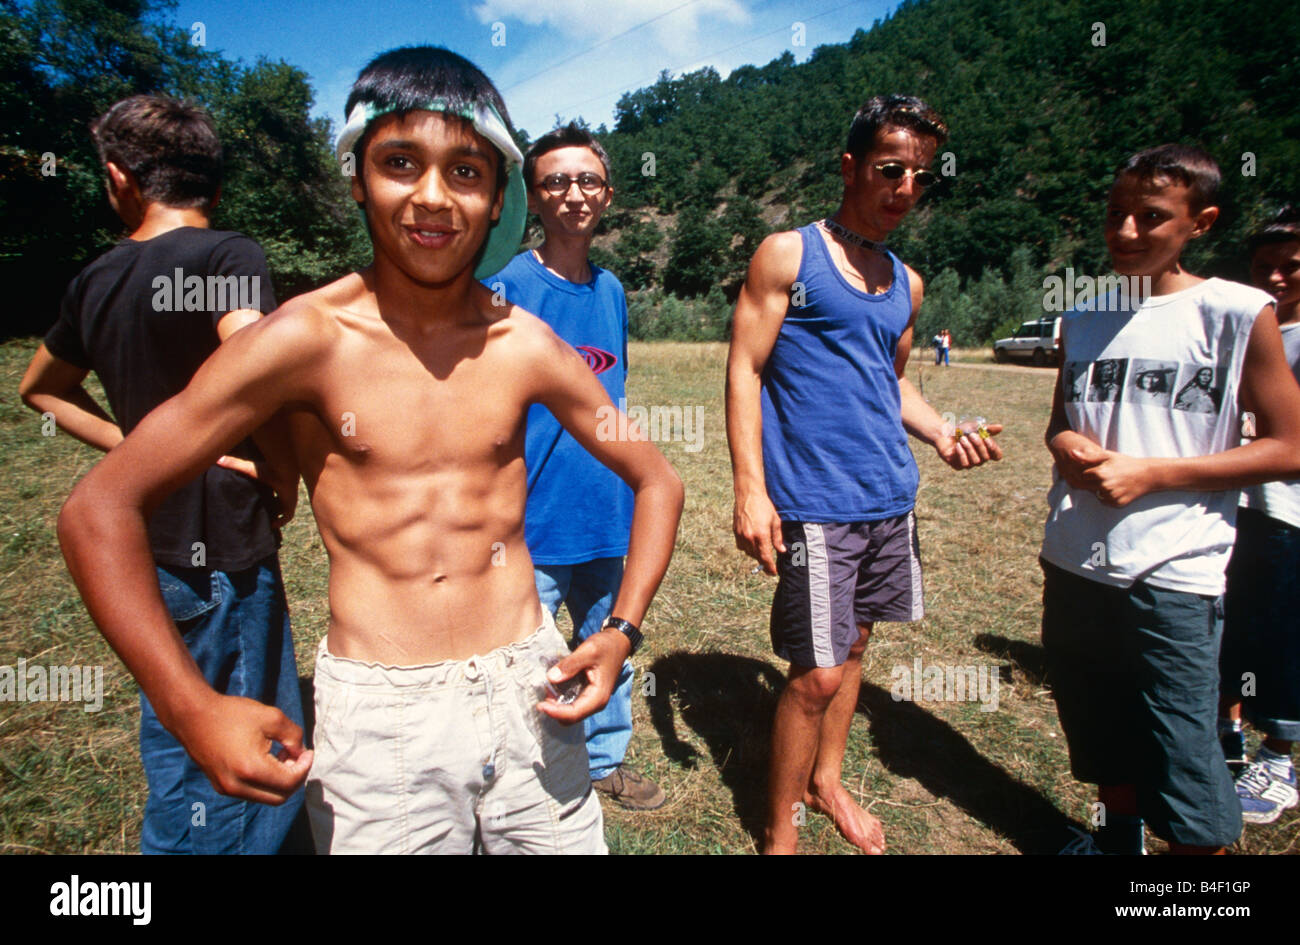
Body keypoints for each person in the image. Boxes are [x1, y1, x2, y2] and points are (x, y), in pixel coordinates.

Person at [55, 46, 684, 855]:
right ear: (357, 177)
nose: (432, 196)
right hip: (385, 720)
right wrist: (189, 704)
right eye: (399, 162)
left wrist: (621, 630)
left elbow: (655, 476)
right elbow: (98, 507)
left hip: (536, 689)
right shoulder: (302, 340)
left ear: (499, 199)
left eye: (466, 171)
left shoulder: (524, 343)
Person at [18, 95, 302, 855]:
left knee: (180, 728)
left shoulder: (96, 278)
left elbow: (39, 388)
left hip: (145, 543)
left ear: (120, 178)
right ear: (214, 181)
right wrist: (281, 471)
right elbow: (257, 366)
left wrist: (141, 451)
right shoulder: (226, 255)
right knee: (247, 747)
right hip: (223, 547)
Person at [726, 94, 1003, 855]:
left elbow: (892, 382)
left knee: (853, 652)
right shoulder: (789, 254)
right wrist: (751, 489)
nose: (906, 189)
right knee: (814, 673)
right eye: (890, 170)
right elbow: (745, 369)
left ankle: (828, 779)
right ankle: (781, 826)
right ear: (850, 166)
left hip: (887, 499)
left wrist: (943, 430)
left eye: (920, 177)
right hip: (814, 501)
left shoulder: (905, 283)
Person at [1041, 146, 1300, 855]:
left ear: (1201, 221)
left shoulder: (1238, 313)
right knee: (1096, 718)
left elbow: (1289, 445)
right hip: (1073, 558)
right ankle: (1116, 837)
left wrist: (1151, 475)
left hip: (1174, 568)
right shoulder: (1086, 317)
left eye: (1151, 217)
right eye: (1114, 214)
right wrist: (1064, 443)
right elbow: (1060, 421)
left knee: (1181, 736)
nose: (1125, 232)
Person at [487, 123, 664, 810]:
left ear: (608, 195)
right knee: (517, 660)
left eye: (587, 179)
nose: (573, 193)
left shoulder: (612, 289)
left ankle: (601, 762)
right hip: (528, 514)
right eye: (555, 180)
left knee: (609, 644)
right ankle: (511, 774)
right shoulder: (503, 286)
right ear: (533, 197)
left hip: (607, 509)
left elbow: (612, 398)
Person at [1218, 205, 1300, 824]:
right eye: (1263, 266)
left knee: (1280, 636)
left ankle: (1280, 756)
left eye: (1290, 268)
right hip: (1237, 505)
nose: (1274, 278)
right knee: (1236, 624)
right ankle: (1230, 731)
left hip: (1287, 512)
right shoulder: (1250, 329)